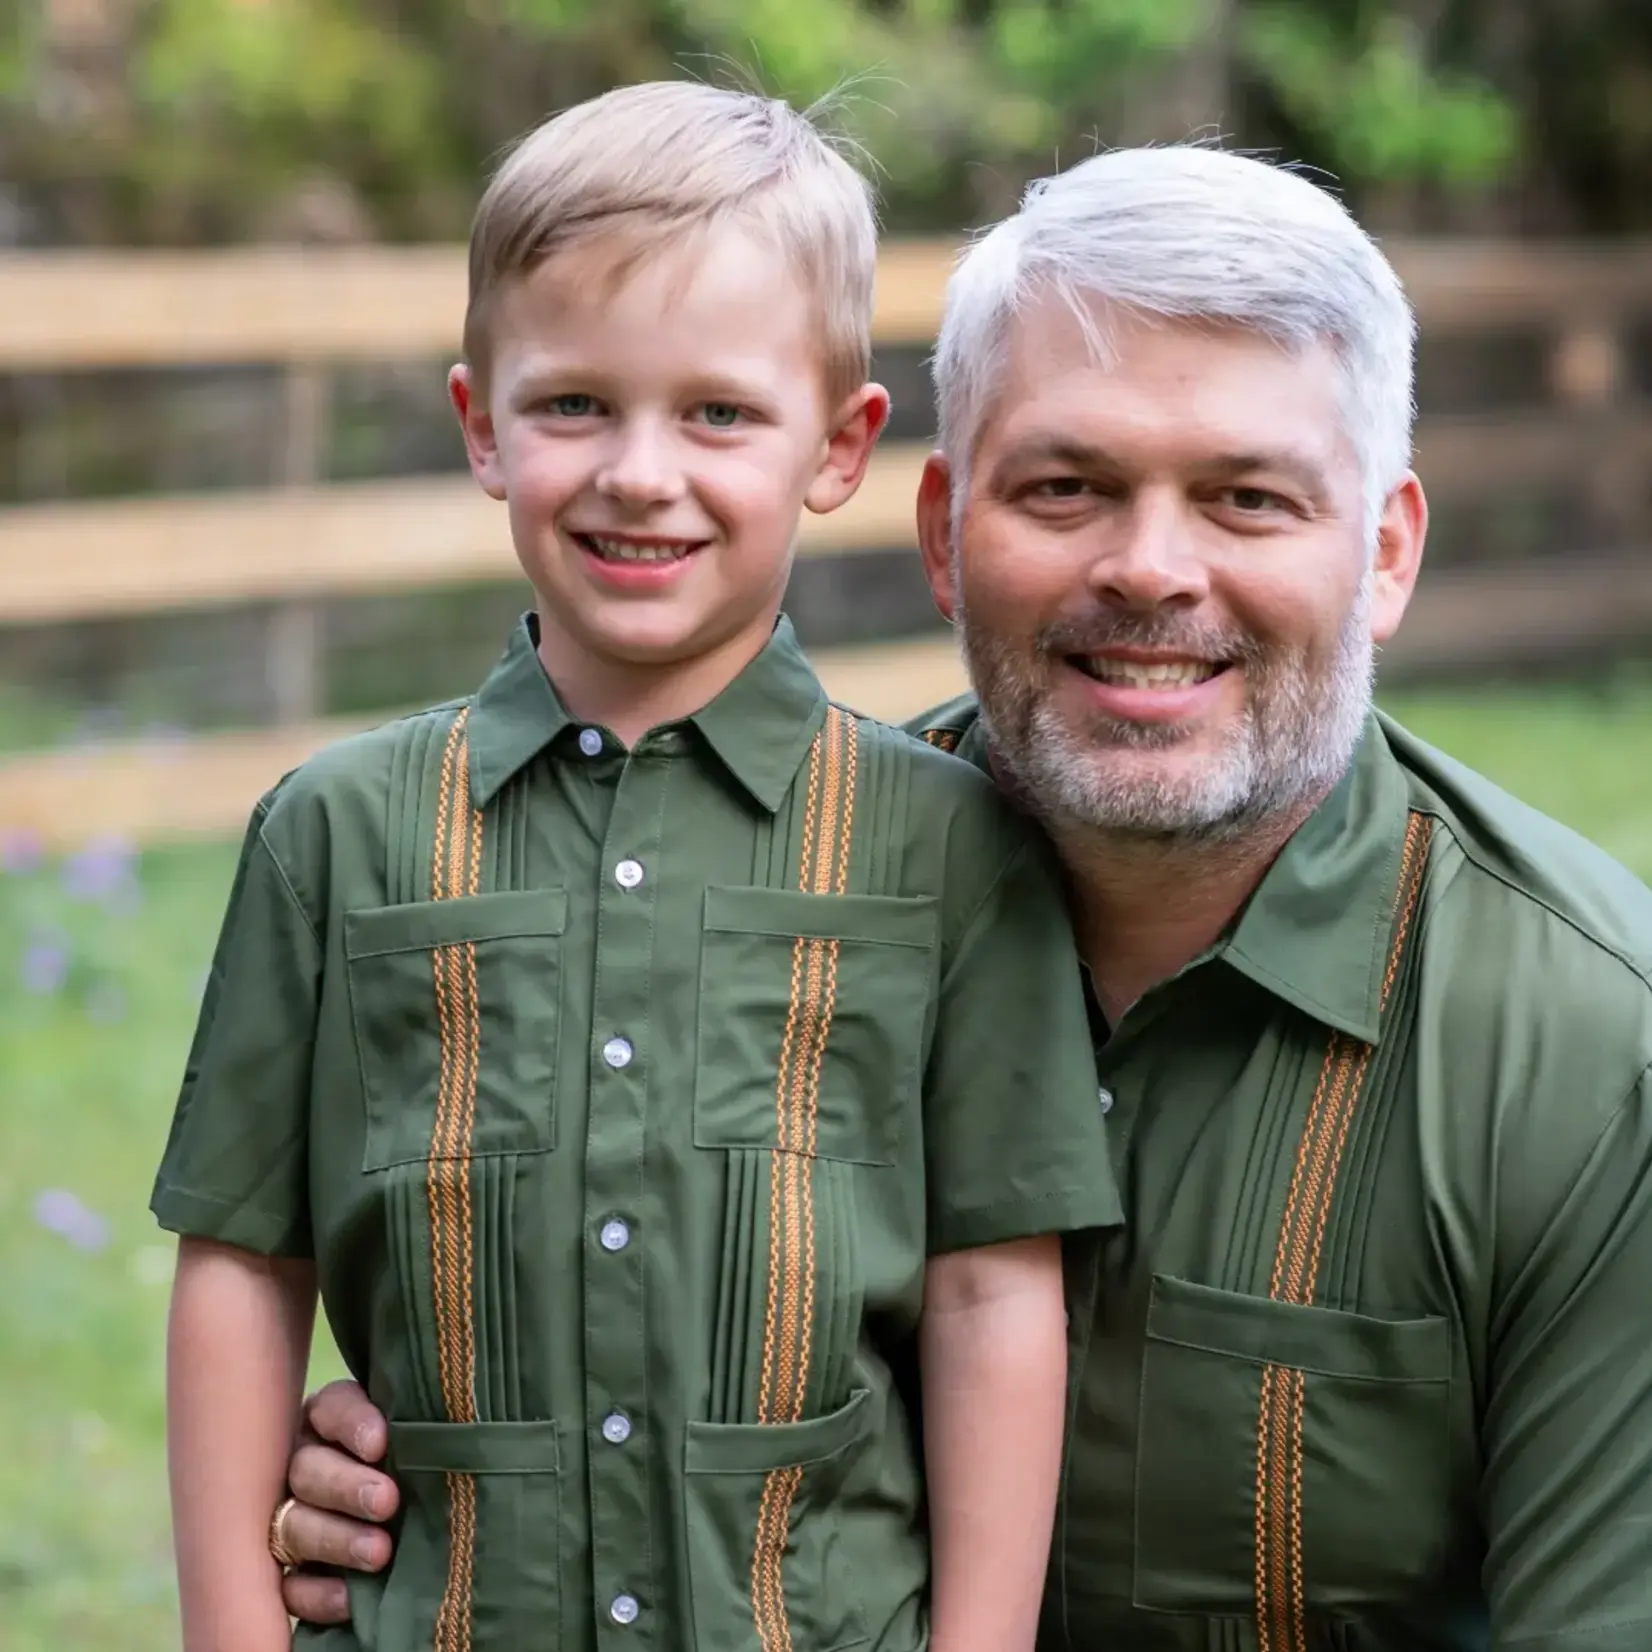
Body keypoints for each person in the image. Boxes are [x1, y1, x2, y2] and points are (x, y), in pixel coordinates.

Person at [273, 139, 1652, 1652]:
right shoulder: (731, 881)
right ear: (941, 533)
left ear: (1383, 554)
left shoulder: (1587, 1054)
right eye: (1067, 486)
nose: (1149, 569)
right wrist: (437, 1466)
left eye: (1250, 499)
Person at [150, 79, 1123, 1652]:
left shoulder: (950, 846)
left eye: (719, 413)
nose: (640, 472)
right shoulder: (332, 834)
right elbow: (237, 1274)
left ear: (840, 443)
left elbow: (991, 1294)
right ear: (482, 426)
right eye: (575, 405)